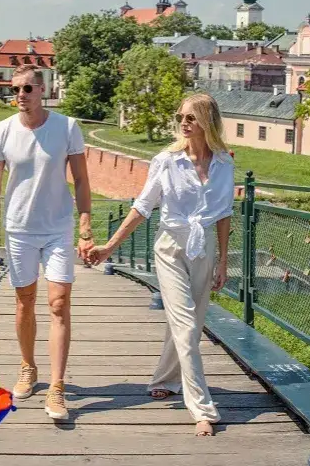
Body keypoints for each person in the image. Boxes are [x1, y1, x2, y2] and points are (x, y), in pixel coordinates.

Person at [87, 93, 234, 437]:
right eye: (180, 117)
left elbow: (225, 213)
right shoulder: (166, 160)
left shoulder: (225, 163)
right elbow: (142, 207)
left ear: (207, 122)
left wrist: (223, 260)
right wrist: (110, 246)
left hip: (204, 247)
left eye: (191, 118)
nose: (183, 123)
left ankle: (165, 378)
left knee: (191, 324)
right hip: (170, 247)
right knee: (184, 323)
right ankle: (202, 408)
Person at [0, 64, 94, 420]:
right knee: (24, 302)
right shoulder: (2, 131)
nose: (20, 95)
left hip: (58, 227)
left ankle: (57, 388)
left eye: (27, 88)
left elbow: (81, 179)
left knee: (59, 304)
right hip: (19, 229)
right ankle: (28, 367)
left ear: (42, 90)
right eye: (15, 89)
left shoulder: (67, 127)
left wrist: (85, 225)